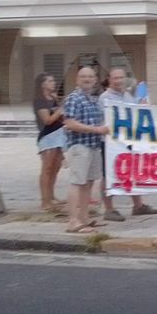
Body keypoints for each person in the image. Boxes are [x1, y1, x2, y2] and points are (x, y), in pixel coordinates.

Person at [97, 67, 157, 221]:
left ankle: (138, 205)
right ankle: (109, 209)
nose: (118, 81)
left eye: (121, 78)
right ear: (109, 80)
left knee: (132, 172)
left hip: (127, 142)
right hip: (110, 143)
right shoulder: (105, 98)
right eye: (115, 78)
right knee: (107, 175)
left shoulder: (127, 96)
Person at [62, 67, 109, 233]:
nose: (87, 79)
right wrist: (96, 130)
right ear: (77, 79)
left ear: (95, 79)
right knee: (76, 182)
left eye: (90, 76)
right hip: (80, 146)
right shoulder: (74, 98)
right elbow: (70, 123)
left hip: (93, 146)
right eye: (83, 76)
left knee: (88, 183)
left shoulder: (93, 99)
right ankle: (72, 221)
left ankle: (84, 217)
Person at [32, 73, 66, 213]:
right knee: (47, 168)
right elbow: (47, 120)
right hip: (47, 136)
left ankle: (51, 196)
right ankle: (44, 201)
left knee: (56, 167)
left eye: (53, 80)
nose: (53, 83)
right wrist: (60, 110)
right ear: (43, 84)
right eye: (50, 81)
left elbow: (60, 117)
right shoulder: (39, 101)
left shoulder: (53, 98)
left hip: (59, 135)